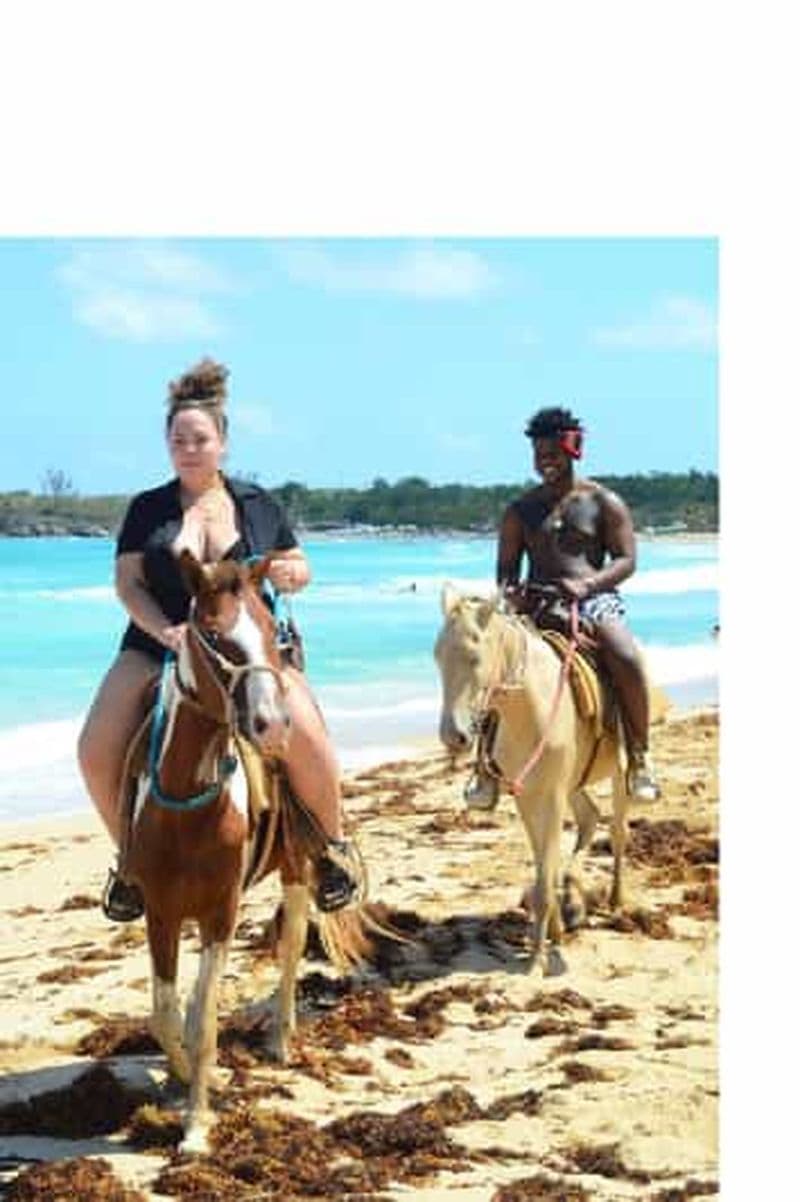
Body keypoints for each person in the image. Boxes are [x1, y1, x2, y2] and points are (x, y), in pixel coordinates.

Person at [77, 358, 360, 920]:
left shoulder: (257, 504)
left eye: (200, 439)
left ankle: (331, 851)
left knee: (302, 730)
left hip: (248, 654)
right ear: (167, 445)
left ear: (223, 443)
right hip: (158, 644)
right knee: (95, 748)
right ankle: (130, 863)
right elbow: (128, 583)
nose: (189, 449)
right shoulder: (147, 509)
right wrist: (166, 630)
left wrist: (293, 572)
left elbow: (296, 559)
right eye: (178, 439)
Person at [465, 405, 659, 809]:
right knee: (489, 663)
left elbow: (626, 560)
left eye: (551, 454)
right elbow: (505, 573)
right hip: (537, 603)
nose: (544, 463)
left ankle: (639, 756)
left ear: (572, 448)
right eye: (538, 455)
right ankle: (483, 767)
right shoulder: (520, 511)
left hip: (593, 600)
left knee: (624, 654)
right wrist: (513, 593)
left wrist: (588, 583)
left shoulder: (603, 502)